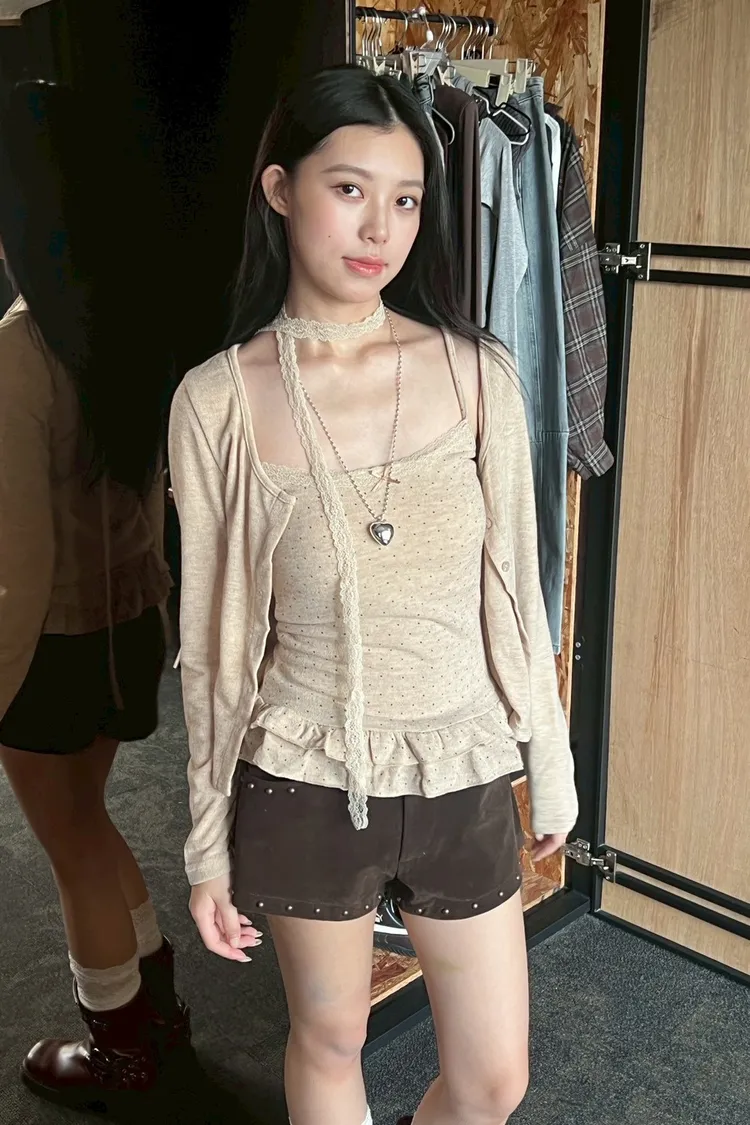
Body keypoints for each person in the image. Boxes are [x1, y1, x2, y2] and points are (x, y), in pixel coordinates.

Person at [169, 65, 578, 1125]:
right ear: (280, 189)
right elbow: (213, 644)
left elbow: (515, 591)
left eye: (405, 199)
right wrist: (207, 843)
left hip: (460, 768)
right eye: (349, 189)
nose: (379, 229)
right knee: (331, 1038)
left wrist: (551, 759)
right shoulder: (217, 401)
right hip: (304, 776)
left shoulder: (477, 372)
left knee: (493, 1078)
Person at [0, 81, 189, 1107]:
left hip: (51, 646)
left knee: (72, 843)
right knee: (92, 822)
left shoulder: (20, 351)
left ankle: (121, 1051)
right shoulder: (134, 327)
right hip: (128, 627)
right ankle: (155, 1011)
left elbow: (15, 567)